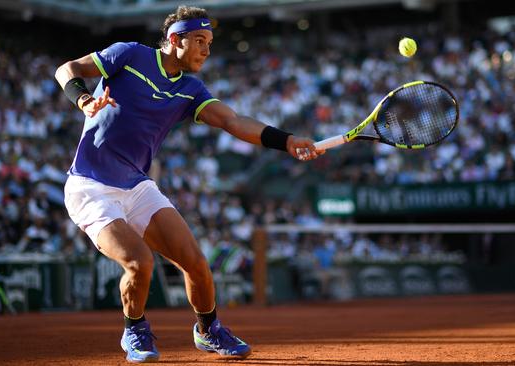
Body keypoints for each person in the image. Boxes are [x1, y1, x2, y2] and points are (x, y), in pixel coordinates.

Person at [54, 5, 322, 363]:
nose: (206, 50)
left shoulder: (191, 89)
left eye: (209, 42)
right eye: (199, 40)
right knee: (139, 262)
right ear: (174, 39)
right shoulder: (130, 54)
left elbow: (232, 120)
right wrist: (83, 98)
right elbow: (66, 69)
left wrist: (285, 140)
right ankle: (134, 328)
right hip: (89, 186)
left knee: (196, 263)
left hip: (136, 185)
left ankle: (208, 329)